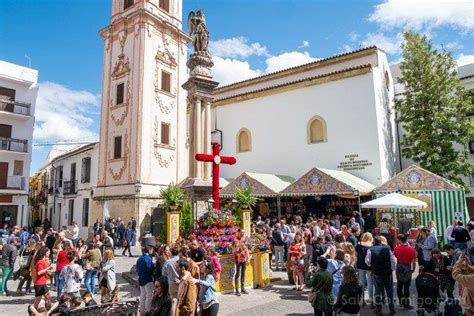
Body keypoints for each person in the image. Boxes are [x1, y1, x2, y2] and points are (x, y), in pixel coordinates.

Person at [365, 235, 396, 315]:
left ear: (374, 242)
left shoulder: (370, 250)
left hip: (377, 273)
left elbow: (367, 261)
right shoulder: (387, 249)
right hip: (387, 273)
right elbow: (393, 260)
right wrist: (392, 269)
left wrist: (371, 265)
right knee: (389, 291)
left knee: (378, 292)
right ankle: (392, 309)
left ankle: (379, 310)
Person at [393, 234, 417, 309]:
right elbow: (413, 262)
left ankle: (401, 302)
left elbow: (396, 256)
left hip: (399, 267)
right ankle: (406, 304)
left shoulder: (396, 248)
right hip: (407, 268)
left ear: (400, 240)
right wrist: (413, 270)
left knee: (399, 285)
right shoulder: (412, 250)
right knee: (406, 287)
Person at [355, 232, 374, 307]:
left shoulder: (358, 245)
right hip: (369, 266)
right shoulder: (371, 246)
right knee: (370, 283)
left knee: (361, 283)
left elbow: (356, 255)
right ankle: (371, 300)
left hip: (360, 265)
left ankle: (361, 300)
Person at [137, 245, 155, 315]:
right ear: (149, 250)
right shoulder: (148, 258)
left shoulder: (139, 258)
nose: (152, 251)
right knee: (149, 296)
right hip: (148, 279)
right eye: (152, 250)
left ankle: (141, 310)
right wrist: (153, 266)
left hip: (141, 279)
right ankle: (148, 311)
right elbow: (149, 269)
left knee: (142, 295)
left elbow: (137, 269)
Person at [162, 247, 180, 315]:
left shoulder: (168, 262)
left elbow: (163, 273)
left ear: (171, 253)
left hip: (171, 283)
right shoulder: (181, 260)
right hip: (181, 282)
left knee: (174, 301)